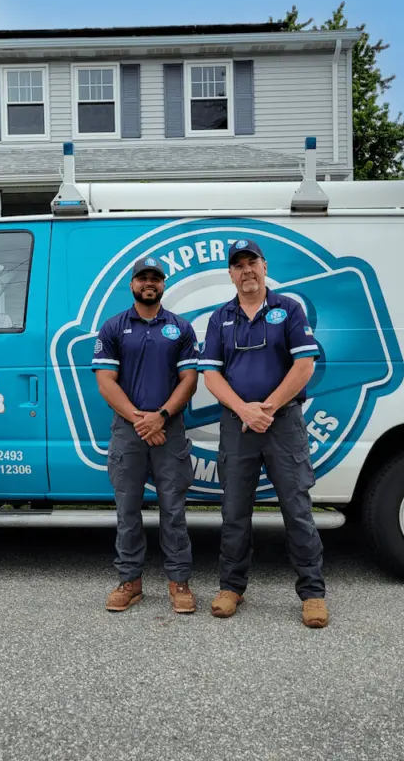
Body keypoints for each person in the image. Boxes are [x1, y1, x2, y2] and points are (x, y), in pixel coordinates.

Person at [198, 238, 329, 629]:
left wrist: (266, 409)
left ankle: (313, 593)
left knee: (297, 509)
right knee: (234, 510)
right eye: (238, 265)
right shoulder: (219, 317)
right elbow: (210, 373)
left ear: (264, 266)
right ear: (231, 274)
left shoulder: (288, 310)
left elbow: (304, 365)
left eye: (251, 262)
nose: (246, 271)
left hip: (282, 424)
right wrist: (244, 410)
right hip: (237, 425)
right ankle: (231, 587)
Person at [92, 257, 200, 614]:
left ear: (163, 284)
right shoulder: (112, 327)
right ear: (132, 284)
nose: (149, 283)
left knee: (173, 510)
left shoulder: (181, 328)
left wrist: (162, 416)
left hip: (169, 429)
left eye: (155, 278)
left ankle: (179, 581)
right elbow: (105, 382)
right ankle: (129, 581)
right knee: (127, 510)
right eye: (143, 278)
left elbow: (189, 380)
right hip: (129, 431)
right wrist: (142, 420)